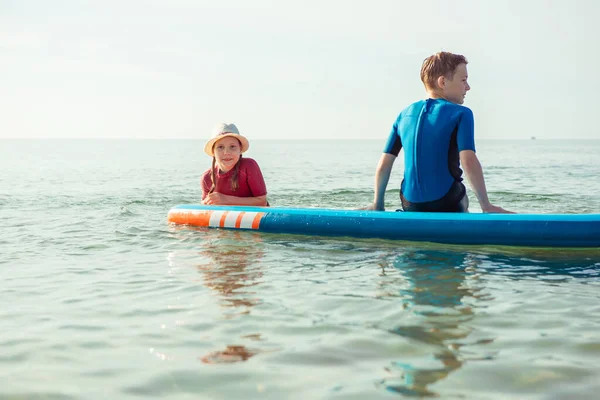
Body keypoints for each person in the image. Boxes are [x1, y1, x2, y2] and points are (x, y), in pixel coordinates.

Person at [367, 52, 512, 213]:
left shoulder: (403, 115)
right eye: (463, 80)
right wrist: (486, 206)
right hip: (449, 201)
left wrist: (378, 205)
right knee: (462, 198)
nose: (468, 87)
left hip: (410, 204)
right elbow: (468, 160)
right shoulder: (461, 113)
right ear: (443, 82)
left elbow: (384, 164)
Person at [201, 123, 268, 206]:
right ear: (213, 151)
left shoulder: (249, 166)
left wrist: (225, 199)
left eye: (232, 146)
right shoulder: (207, 177)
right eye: (220, 147)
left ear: (240, 149)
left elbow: (262, 201)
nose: (226, 152)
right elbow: (204, 207)